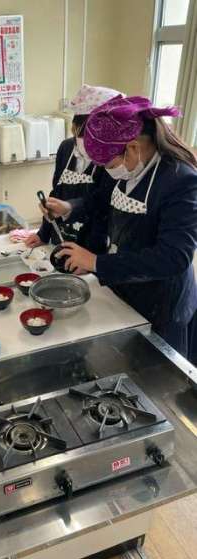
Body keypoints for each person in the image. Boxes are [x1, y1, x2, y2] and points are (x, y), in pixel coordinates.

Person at [45, 95, 197, 362]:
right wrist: (69, 208)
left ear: (133, 148)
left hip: (161, 300)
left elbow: (173, 257)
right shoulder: (129, 168)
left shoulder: (180, 181)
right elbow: (101, 199)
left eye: (110, 165)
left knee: (152, 373)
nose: (108, 171)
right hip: (125, 283)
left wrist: (97, 262)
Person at [25, 84, 123, 253]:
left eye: (94, 139)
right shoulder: (66, 148)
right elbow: (56, 192)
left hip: (91, 243)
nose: (88, 145)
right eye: (82, 135)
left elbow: (102, 204)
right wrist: (43, 233)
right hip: (61, 237)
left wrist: (70, 207)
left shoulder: (112, 159)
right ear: (74, 128)